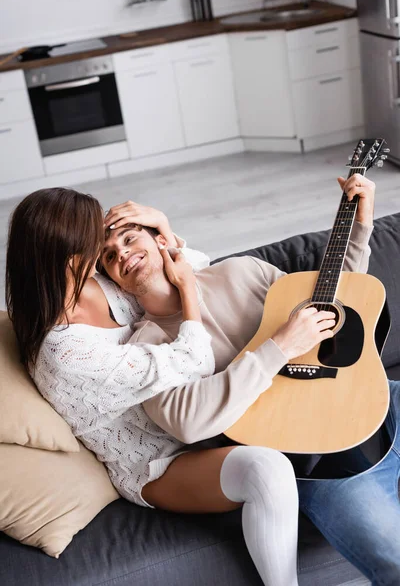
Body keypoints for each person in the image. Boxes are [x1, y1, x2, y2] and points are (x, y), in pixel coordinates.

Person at [101, 174, 400, 586]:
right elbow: (189, 423)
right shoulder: (142, 351)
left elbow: (332, 311)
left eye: (130, 238)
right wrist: (278, 347)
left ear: (162, 240)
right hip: (319, 462)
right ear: (112, 282)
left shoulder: (241, 271)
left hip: (380, 404)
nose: (123, 254)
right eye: (109, 256)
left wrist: (359, 227)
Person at [6, 188, 302, 586]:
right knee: (266, 471)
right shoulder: (64, 350)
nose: (105, 241)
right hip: (160, 461)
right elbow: (192, 359)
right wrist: (191, 297)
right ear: (69, 253)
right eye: (95, 235)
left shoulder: (98, 282)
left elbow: (192, 273)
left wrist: (163, 229)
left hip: (197, 408)